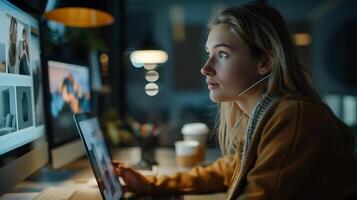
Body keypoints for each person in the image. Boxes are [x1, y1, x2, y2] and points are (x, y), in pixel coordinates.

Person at [113, 2, 357, 200]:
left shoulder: (294, 117)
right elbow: (229, 170)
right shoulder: (263, 114)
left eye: (222, 54)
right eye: (209, 54)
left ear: (264, 63)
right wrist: (150, 184)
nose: (205, 69)